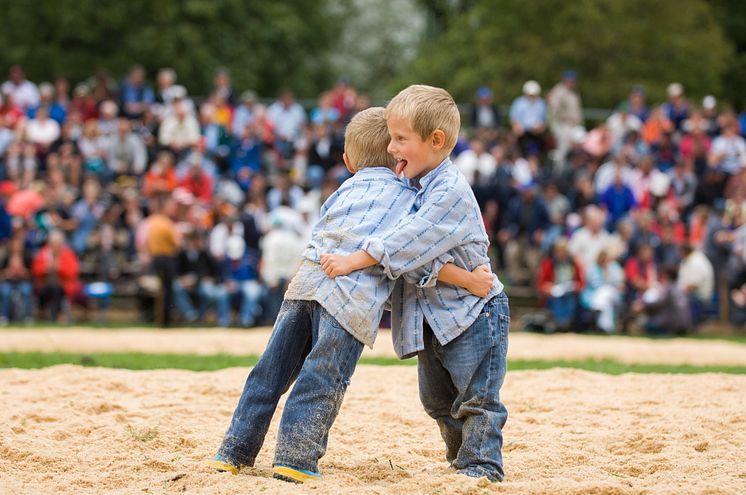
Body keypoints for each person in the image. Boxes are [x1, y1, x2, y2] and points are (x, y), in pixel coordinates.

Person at [208, 107, 492, 482]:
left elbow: (319, 234)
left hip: (305, 285)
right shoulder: (408, 195)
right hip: (350, 301)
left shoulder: (343, 189)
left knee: (269, 373)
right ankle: (295, 458)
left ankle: (234, 451)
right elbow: (408, 254)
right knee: (321, 377)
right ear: (396, 157)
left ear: (347, 161)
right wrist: (469, 280)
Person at [320, 86, 509, 482]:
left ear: (435, 141)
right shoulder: (412, 187)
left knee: (477, 398)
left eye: (401, 139)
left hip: (472, 314)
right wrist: (455, 275)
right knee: (437, 400)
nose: (391, 148)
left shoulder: (450, 189)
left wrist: (356, 259)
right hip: (432, 318)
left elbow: (409, 242)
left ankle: (481, 466)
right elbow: (416, 261)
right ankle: (460, 460)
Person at [144, 196, 181, 327]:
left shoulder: (152, 222)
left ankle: (157, 319)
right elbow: (177, 242)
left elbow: (145, 242)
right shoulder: (166, 223)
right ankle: (166, 321)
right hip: (166, 258)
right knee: (167, 291)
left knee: (160, 291)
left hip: (155, 258)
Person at [536, 238, 584, 331]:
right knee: (557, 298)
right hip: (553, 293)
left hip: (570, 292)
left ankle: (566, 323)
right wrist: (547, 287)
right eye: (558, 251)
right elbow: (541, 283)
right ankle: (560, 323)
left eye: (563, 251)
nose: (561, 254)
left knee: (569, 298)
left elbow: (581, 282)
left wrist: (576, 286)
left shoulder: (573, 263)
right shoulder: (549, 263)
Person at [548, 70, 583, 168]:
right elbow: (554, 110)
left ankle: (571, 173)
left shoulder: (573, 93)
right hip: (563, 125)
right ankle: (559, 174)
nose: (572, 83)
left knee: (576, 150)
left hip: (574, 126)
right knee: (563, 151)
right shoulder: (559, 91)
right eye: (570, 80)